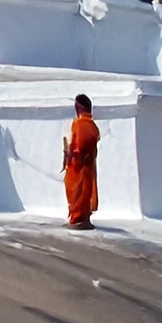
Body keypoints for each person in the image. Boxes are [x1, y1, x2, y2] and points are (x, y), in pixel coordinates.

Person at [61, 93, 98, 229]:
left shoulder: (80, 124)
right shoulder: (92, 125)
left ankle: (79, 219)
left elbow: (81, 146)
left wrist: (71, 154)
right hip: (86, 166)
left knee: (79, 192)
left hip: (79, 166)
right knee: (83, 192)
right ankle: (79, 217)